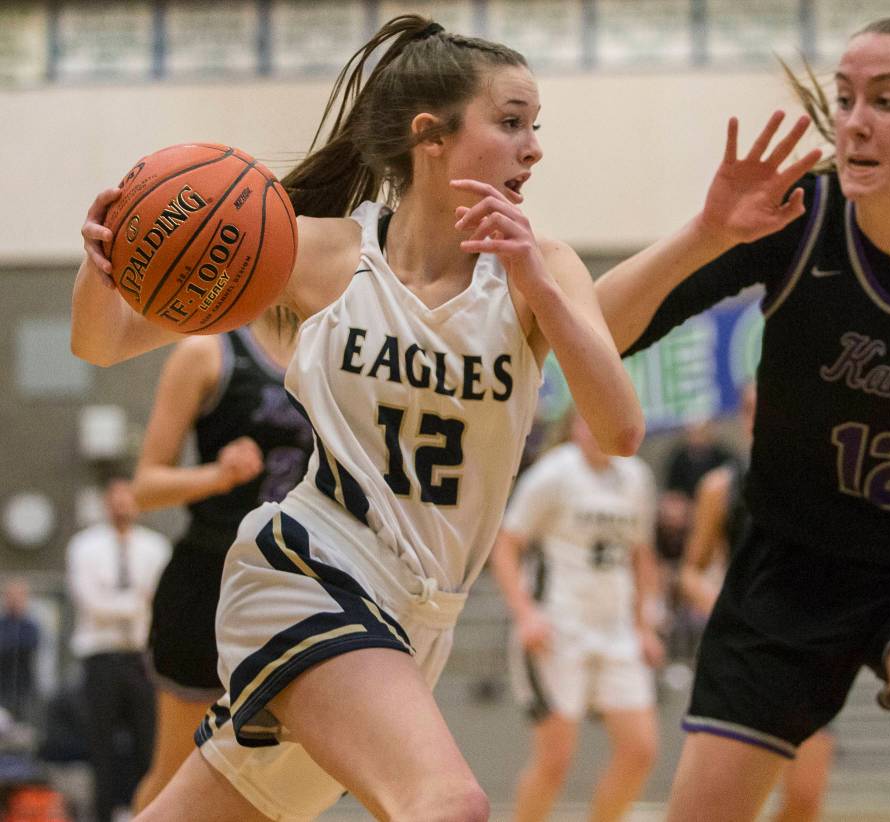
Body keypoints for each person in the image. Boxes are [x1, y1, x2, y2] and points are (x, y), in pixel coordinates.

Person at [71, 14, 643, 821]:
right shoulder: (319, 253)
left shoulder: (541, 268)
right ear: (430, 137)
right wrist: (104, 267)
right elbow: (101, 345)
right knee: (447, 804)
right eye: (511, 122)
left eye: (535, 126)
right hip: (309, 571)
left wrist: (544, 294)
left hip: (418, 616)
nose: (534, 146)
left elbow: (620, 432)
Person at [597, 15, 890, 821]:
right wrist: (705, 232)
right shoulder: (798, 216)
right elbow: (588, 334)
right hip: (791, 572)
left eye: (888, 100)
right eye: (847, 96)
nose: (855, 119)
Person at [129, 308, 312, 813]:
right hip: (209, 581)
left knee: (273, 785)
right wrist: (217, 475)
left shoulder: (336, 352)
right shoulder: (208, 351)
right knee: (174, 776)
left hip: (297, 588)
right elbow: (144, 487)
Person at [490, 407, 663, 822]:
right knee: (555, 761)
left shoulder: (636, 477)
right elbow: (506, 545)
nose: (595, 428)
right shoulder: (554, 474)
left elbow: (641, 554)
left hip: (616, 629)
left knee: (640, 750)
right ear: (574, 428)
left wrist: (645, 625)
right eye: (586, 420)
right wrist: (525, 613)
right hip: (559, 628)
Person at [680, 384, 834, 822]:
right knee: (726, 803)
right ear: (745, 417)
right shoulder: (721, 487)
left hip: (807, 651)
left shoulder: (819, 485)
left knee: (806, 795)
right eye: (752, 408)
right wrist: (728, 607)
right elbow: (690, 572)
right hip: (744, 656)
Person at [66, 478, 170, 822]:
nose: (122, 505)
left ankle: (149, 814)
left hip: (143, 660)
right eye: (116, 499)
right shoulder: (84, 546)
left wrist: (132, 602)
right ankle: (103, 815)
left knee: (149, 748)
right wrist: (137, 601)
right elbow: (91, 603)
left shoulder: (156, 547)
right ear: (106, 503)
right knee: (101, 748)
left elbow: (161, 602)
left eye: (128, 498)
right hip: (101, 658)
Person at [0, 579, 40, 724]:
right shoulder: (2, 624)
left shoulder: (31, 625)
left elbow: (32, 645)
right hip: (3, 687)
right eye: (11, 597)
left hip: (25, 688)